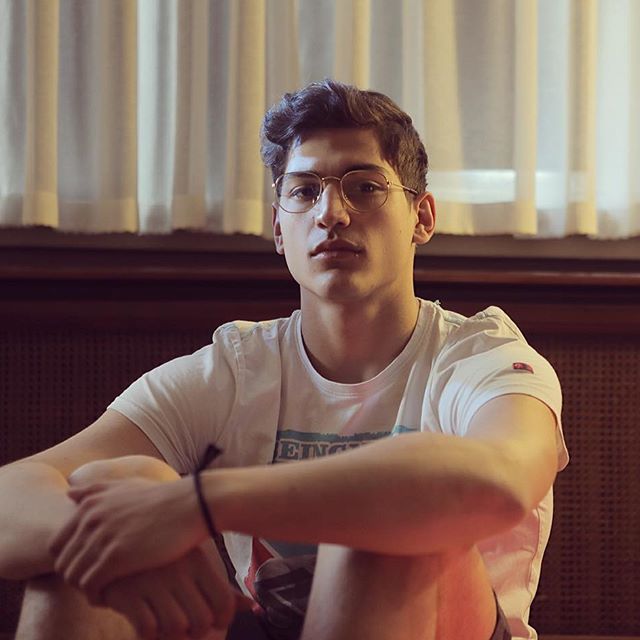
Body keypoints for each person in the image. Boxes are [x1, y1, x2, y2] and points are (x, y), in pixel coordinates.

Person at [0, 79, 568, 640]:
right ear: (279, 227)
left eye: (364, 188)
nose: (331, 213)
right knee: (112, 496)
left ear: (421, 217)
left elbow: (501, 482)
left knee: (379, 523)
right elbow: (13, 496)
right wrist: (113, 536)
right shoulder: (237, 370)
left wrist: (195, 507)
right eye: (304, 191)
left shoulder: (480, 356)